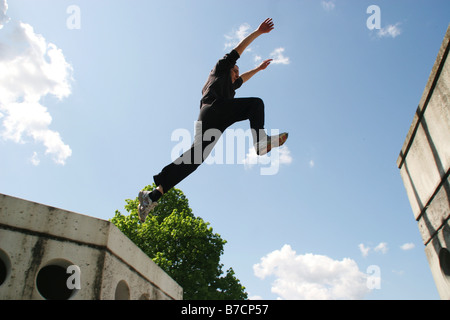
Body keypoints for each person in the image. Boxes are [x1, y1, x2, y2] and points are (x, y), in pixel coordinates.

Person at [138, 18, 288, 222]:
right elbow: (238, 49)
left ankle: (151, 196)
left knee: (194, 159)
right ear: (229, 68)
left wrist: (258, 70)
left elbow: (244, 77)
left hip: (213, 120)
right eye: (235, 72)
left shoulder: (232, 85)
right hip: (213, 109)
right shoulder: (220, 69)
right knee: (256, 104)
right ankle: (261, 142)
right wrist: (258, 32)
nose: (237, 76)